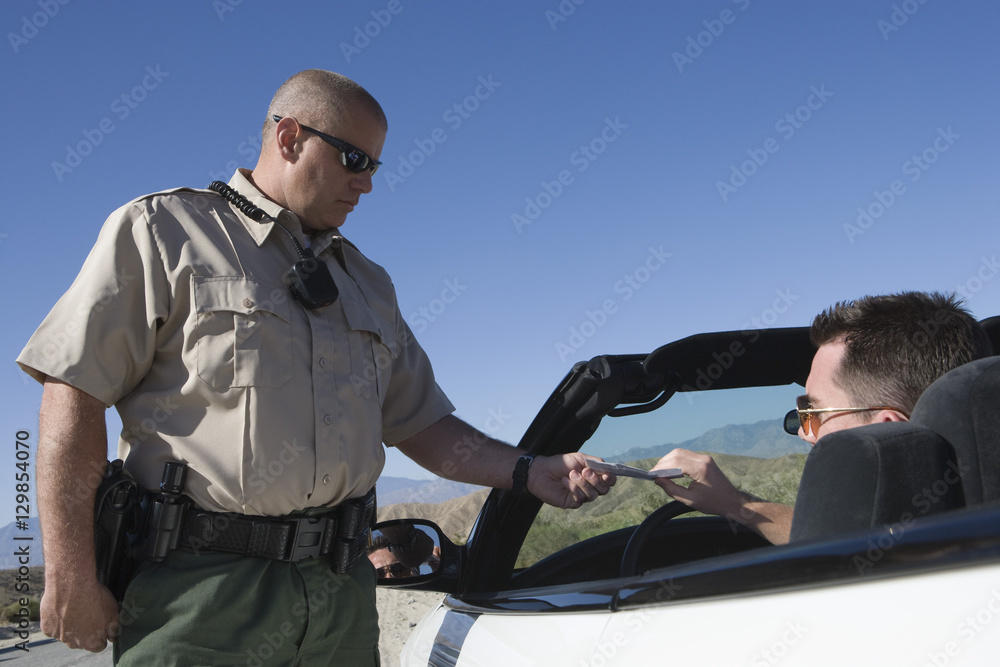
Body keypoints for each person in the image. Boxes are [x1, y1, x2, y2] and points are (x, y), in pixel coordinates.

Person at [18, 70, 614, 665]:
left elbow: (420, 424)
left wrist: (529, 469)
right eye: (355, 158)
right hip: (198, 597)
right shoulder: (164, 232)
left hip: (340, 594)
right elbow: (73, 394)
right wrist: (70, 571)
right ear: (290, 137)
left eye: (375, 167)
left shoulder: (368, 282)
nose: (367, 184)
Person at [650, 291, 993, 545]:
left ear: (887, 429)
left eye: (814, 412)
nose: (803, 431)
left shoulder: (895, 571)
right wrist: (737, 504)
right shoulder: (966, 528)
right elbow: (831, 537)